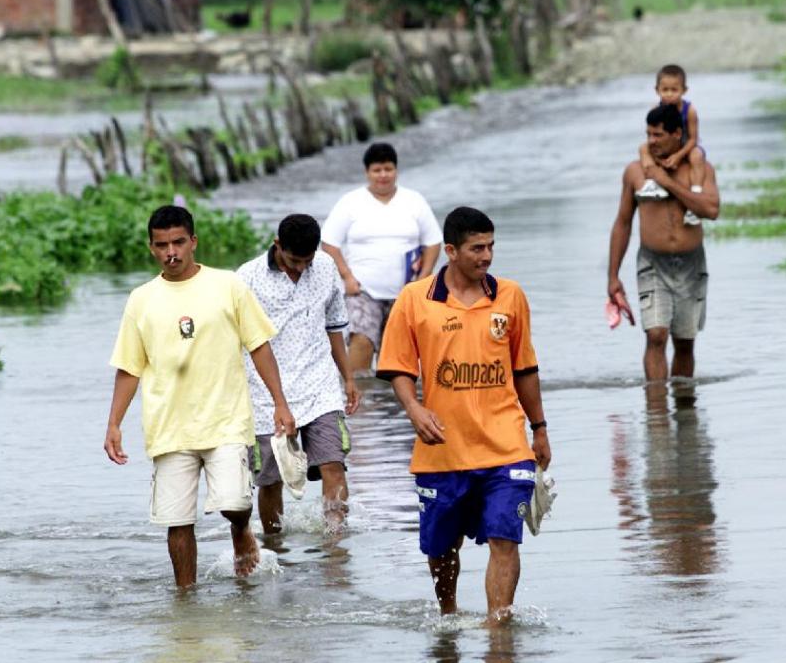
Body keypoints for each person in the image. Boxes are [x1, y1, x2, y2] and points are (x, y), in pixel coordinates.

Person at [104, 204, 297, 589]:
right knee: (177, 521)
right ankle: (185, 597)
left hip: (226, 419)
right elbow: (129, 366)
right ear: (151, 248)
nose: (171, 252)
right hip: (168, 425)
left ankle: (242, 530)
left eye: (178, 242)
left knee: (234, 503)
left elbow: (259, 346)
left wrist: (280, 402)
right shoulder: (141, 299)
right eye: (162, 245)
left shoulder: (228, 285)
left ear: (193, 242)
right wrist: (113, 423)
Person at [376, 206, 553, 626]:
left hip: (506, 444)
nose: (487, 256)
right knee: (441, 548)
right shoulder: (414, 299)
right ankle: (449, 617)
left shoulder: (510, 296)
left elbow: (525, 368)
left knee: (504, 538)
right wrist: (414, 408)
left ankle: (498, 632)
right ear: (451, 250)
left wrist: (540, 428)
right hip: (443, 449)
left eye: (491, 246)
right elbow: (399, 366)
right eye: (477, 248)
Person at [236, 214, 361, 535]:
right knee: (272, 479)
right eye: (294, 260)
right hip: (264, 393)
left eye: (307, 260)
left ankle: (336, 548)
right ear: (277, 245)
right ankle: (275, 545)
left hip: (319, 386)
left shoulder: (325, 267)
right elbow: (235, 341)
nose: (302, 268)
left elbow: (334, 326)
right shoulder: (247, 278)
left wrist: (348, 378)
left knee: (334, 464)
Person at [608, 104, 721, 383]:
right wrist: (613, 277)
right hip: (652, 263)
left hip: (692, 264)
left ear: (677, 134)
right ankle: (656, 414)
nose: (652, 141)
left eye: (658, 135)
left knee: (684, 341)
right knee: (656, 335)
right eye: (649, 135)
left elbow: (711, 210)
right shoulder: (635, 172)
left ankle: (685, 414)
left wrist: (667, 183)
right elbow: (622, 223)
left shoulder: (700, 168)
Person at [321, 142, 443, 374]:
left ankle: (395, 406)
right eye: (377, 170)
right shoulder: (350, 202)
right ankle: (360, 402)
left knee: (398, 356)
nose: (383, 175)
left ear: (396, 171)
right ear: (367, 173)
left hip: (405, 293)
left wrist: (422, 278)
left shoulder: (414, 201)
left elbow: (433, 242)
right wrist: (347, 277)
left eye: (388, 169)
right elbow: (329, 243)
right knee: (362, 341)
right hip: (362, 290)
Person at [635, 64, 708, 226]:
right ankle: (651, 183)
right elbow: (652, 136)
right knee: (643, 148)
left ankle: (695, 196)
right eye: (665, 90)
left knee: (697, 155)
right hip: (665, 145)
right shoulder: (656, 109)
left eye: (674, 90)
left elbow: (693, 139)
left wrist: (678, 155)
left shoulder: (689, 111)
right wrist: (657, 156)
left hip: (686, 145)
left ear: (684, 90)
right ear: (657, 90)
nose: (669, 94)